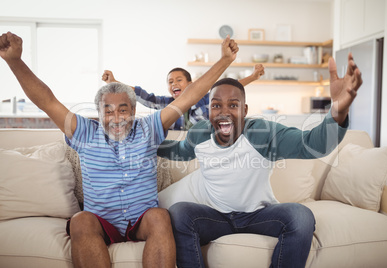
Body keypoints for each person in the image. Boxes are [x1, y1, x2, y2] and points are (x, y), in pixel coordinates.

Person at [0, 31, 239, 268]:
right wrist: (15, 61)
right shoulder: (85, 132)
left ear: (133, 112)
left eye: (123, 110)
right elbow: (47, 101)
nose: (116, 118)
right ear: (100, 114)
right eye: (108, 111)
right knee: (80, 221)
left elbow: (190, 96)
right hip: (102, 222)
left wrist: (224, 61)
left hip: (142, 220)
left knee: (159, 216)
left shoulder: (150, 128)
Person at [157, 53, 362, 267]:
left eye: (233, 105)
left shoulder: (263, 134)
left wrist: (338, 110)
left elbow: (313, 144)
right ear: (209, 111)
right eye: (216, 106)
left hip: (258, 215)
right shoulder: (200, 134)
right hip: (215, 216)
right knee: (180, 213)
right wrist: (147, 141)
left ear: (244, 110)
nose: (223, 112)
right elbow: (179, 151)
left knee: (301, 217)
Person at [101, 64, 265, 130]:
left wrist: (252, 77)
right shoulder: (166, 103)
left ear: (191, 84)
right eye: (170, 82)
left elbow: (228, 87)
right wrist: (115, 82)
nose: (174, 84)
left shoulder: (206, 99)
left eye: (179, 80)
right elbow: (143, 96)